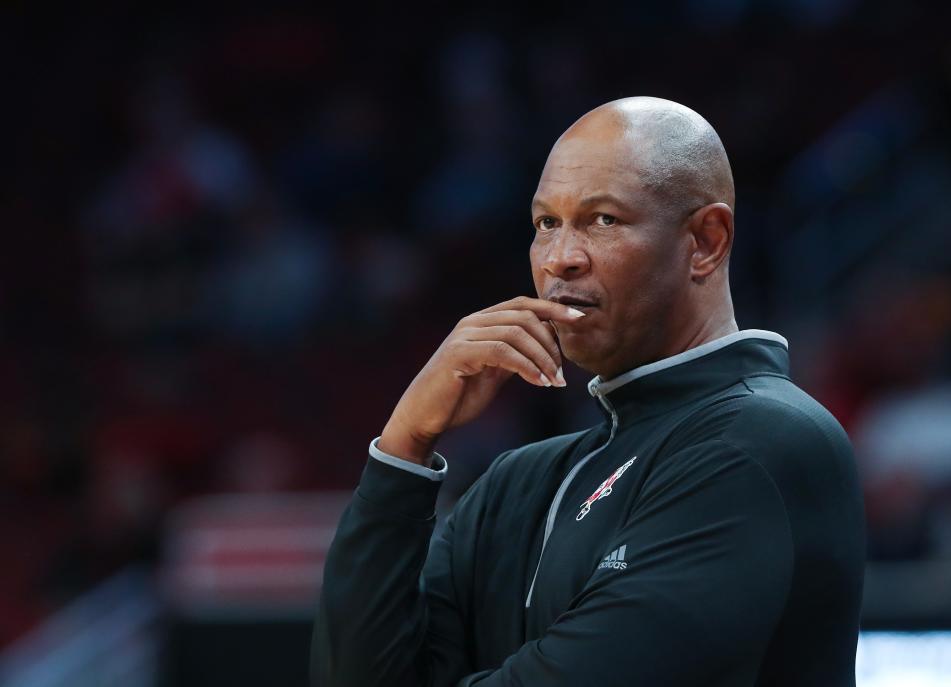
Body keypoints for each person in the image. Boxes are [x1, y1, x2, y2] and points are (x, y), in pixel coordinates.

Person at [311, 97, 865, 686]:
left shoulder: (762, 442)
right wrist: (404, 447)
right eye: (547, 223)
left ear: (706, 241)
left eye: (603, 220)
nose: (561, 259)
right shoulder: (515, 483)